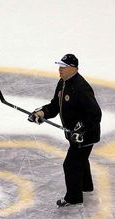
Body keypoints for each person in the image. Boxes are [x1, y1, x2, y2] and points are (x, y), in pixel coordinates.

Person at [28, 53, 102, 207]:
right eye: (59, 66)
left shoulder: (82, 88)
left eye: (63, 67)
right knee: (80, 159)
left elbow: (95, 114)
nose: (59, 70)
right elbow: (55, 105)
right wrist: (42, 112)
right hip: (74, 134)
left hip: (86, 135)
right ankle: (86, 186)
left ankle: (73, 197)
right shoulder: (62, 83)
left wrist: (81, 129)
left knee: (71, 164)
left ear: (73, 69)